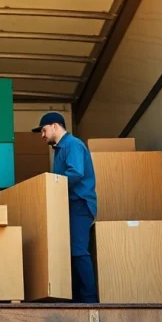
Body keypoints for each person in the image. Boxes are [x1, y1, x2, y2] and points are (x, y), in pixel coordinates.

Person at [33, 113, 98, 303]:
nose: (42, 135)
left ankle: (89, 299)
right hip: (69, 205)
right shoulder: (60, 149)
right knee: (69, 251)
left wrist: (51, 184)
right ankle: (77, 297)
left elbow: (76, 173)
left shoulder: (72, 145)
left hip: (79, 203)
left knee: (78, 250)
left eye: (43, 130)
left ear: (55, 126)